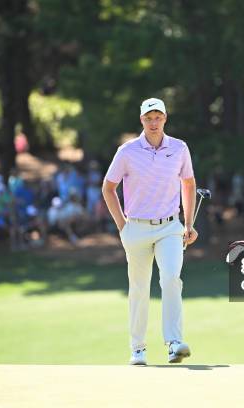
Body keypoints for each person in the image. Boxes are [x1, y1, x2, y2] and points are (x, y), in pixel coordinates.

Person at [102, 97, 197, 365]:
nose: (153, 123)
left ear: (165, 119)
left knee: (170, 279)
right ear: (141, 120)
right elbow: (108, 188)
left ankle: (174, 342)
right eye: (148, 118)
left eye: (158, 117)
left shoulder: (179, 148)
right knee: (139, 288)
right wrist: (123, 226)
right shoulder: (127, 151)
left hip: (169, 226)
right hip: (136, 228)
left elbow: (188, 183)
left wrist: (188, 224)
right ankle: (138, 348)